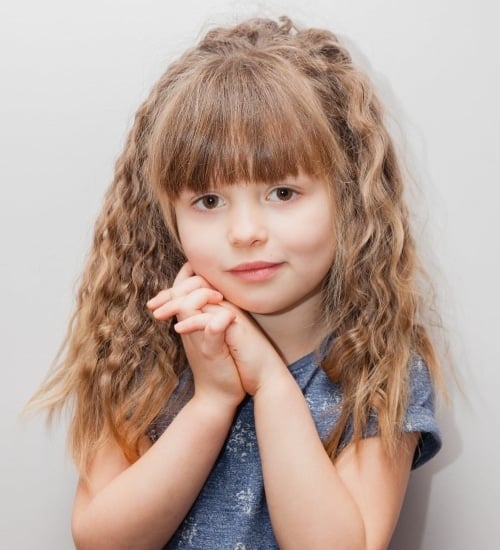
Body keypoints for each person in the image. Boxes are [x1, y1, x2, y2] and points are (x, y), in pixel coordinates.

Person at [29, 15, 443, 549]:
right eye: (208, 201)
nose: (245, 232)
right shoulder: (139, 348)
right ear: (167, 217)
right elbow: (103, 541)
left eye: (282, 193)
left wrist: (270, 383)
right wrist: (212, 400)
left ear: (350, 199)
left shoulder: (380, 369)